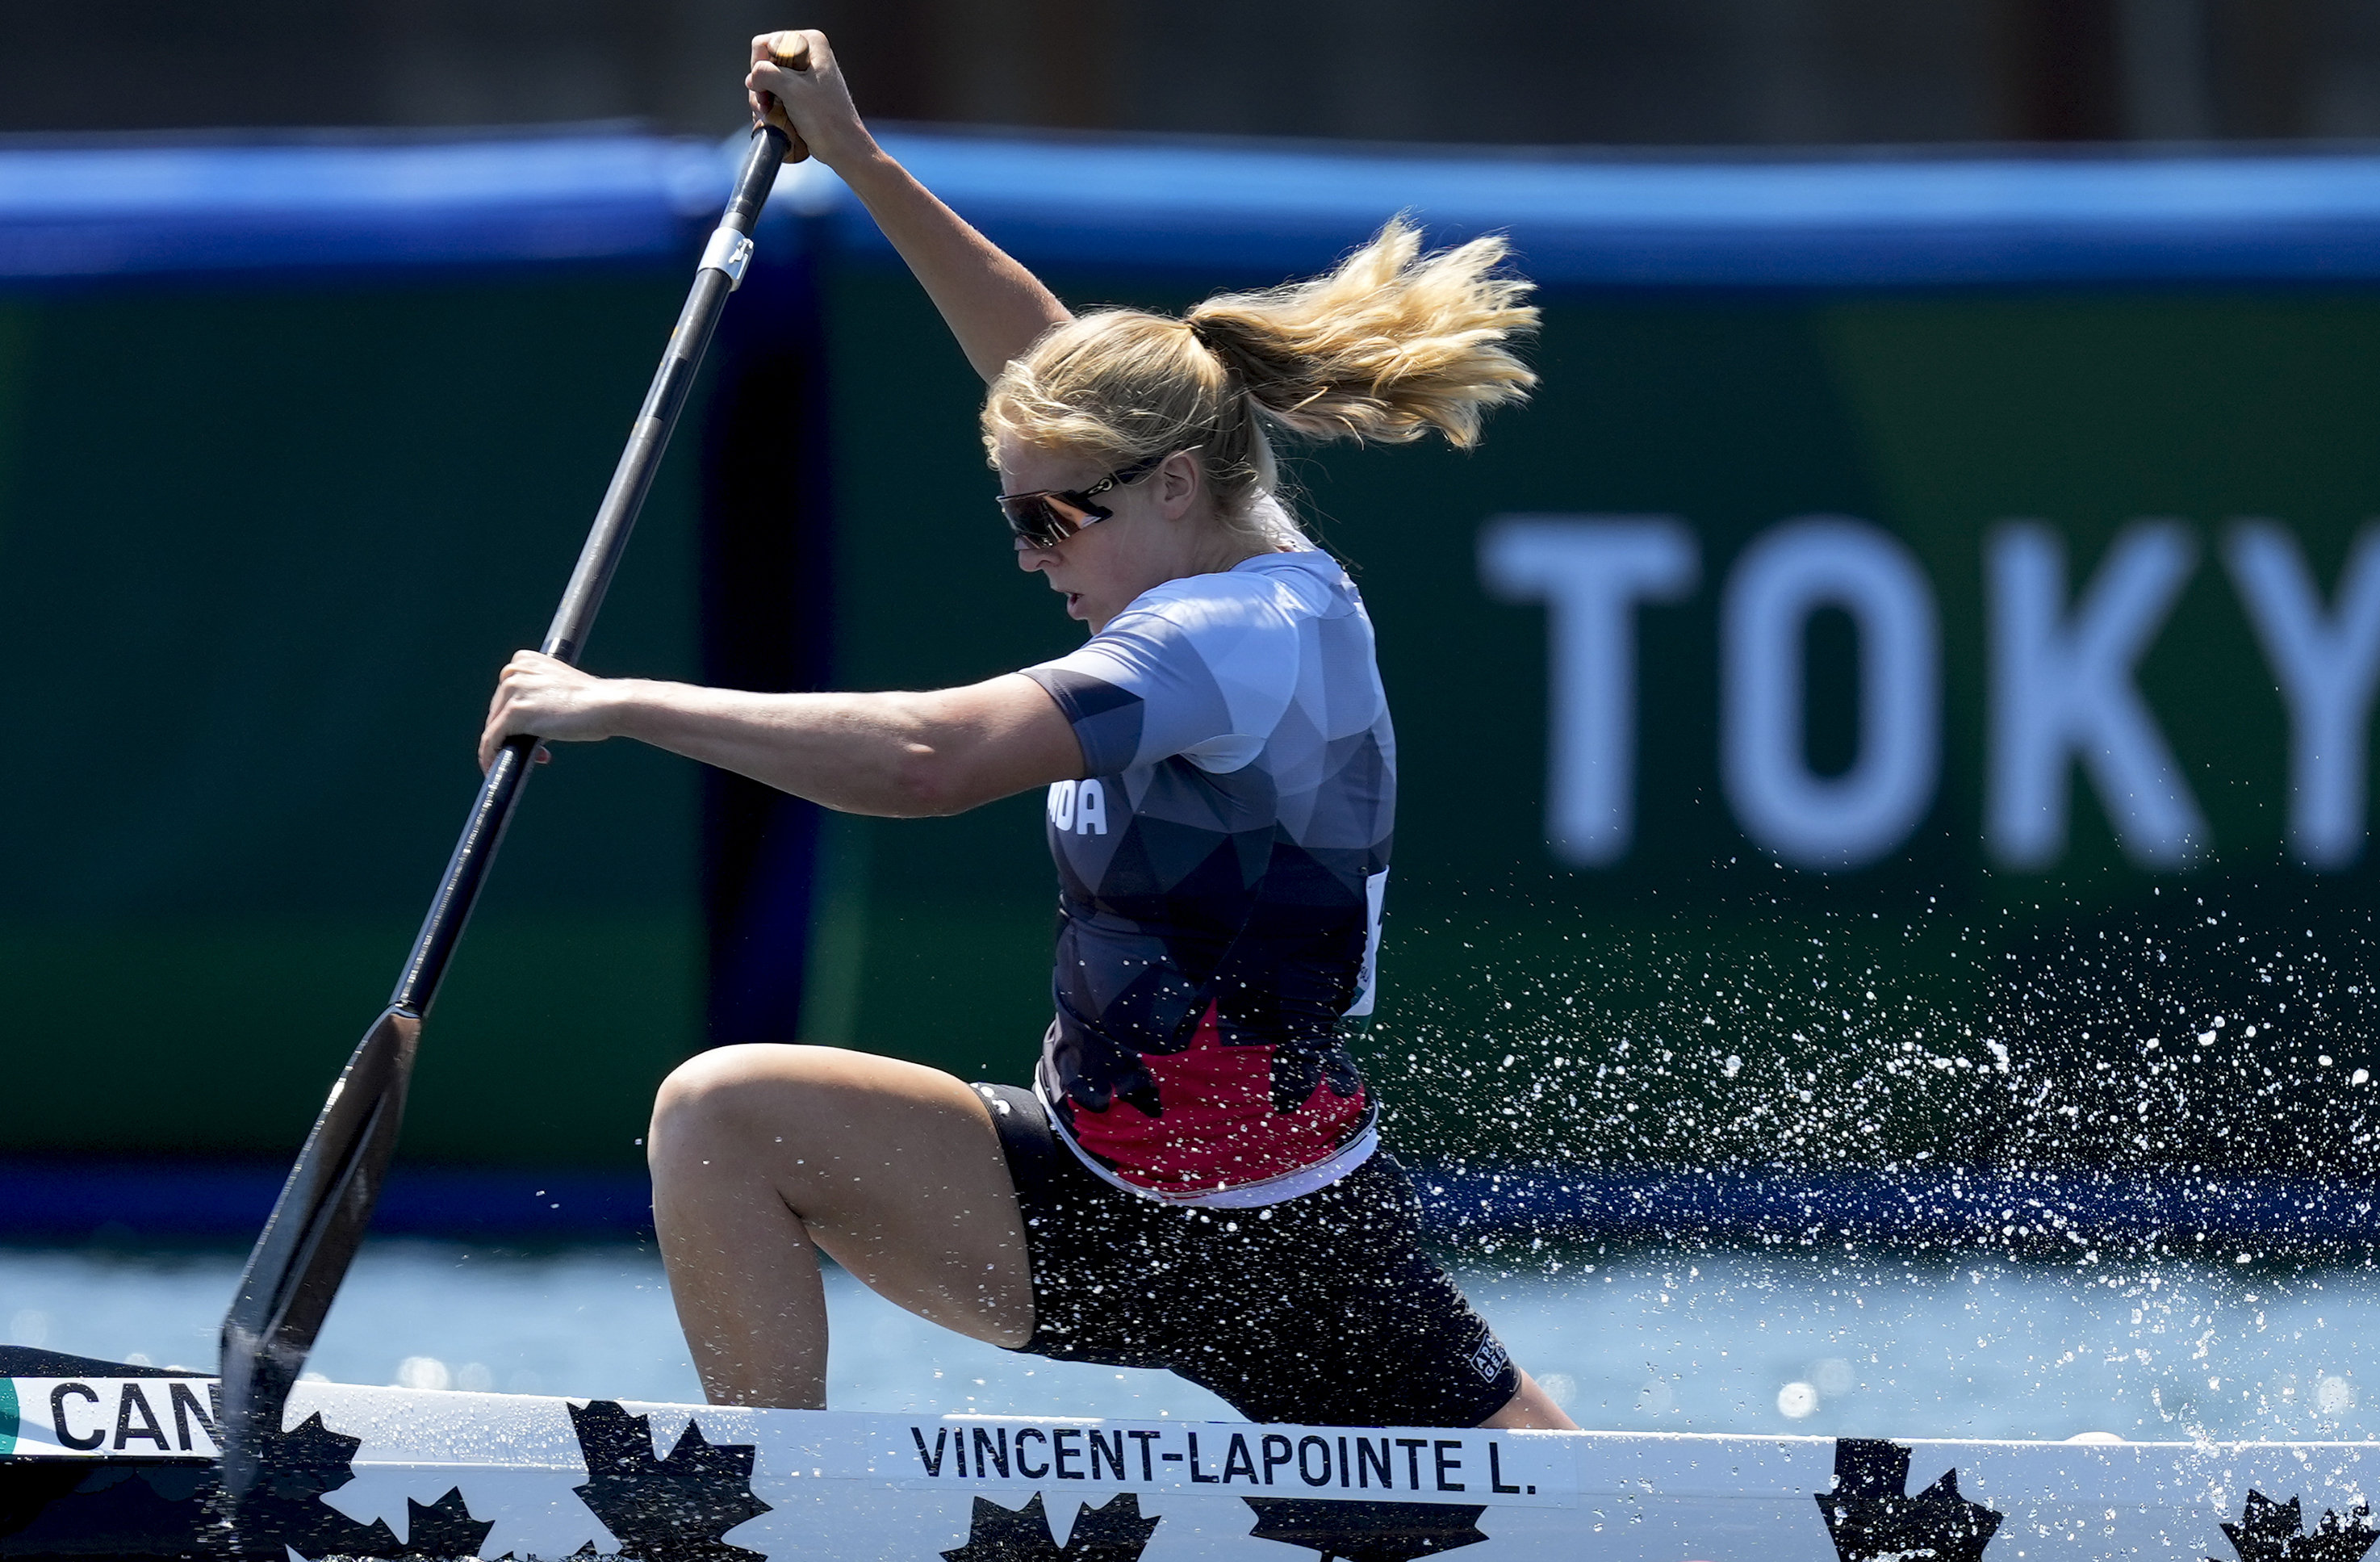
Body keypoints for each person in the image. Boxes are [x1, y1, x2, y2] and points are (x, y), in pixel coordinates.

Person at [478, 28, 1574, 1434]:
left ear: (1173, 487)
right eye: (1014, 513)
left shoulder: (1232, 640)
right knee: (720, 1113)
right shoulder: (1212, 529)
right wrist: (857, 158)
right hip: (1088, 1192)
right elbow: (1045, 357)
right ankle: (771, 1526)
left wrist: (622, 703)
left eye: (1054, 520)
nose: (1030, 552)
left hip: (1275, 1245)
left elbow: (930, 762)